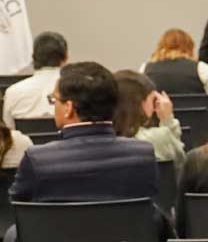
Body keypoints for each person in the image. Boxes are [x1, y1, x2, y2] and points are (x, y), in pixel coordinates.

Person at [10, 63, 157, 203]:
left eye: (54, 100)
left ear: (68, 108)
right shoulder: (143, 154)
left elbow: (20, 209)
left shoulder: (38, 160)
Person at [113, 70, 185, 164]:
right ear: (140, 104)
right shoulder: (158, 137)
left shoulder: (101, 141)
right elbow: (181, 161)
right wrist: (168, 120)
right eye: (153, 100)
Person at [2, 31, 68, 127]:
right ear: (65, 57)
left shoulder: (12, 92)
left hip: (28, 142)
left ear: (33, 57)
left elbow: (11, 133)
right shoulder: (77, 90)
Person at [143, 28, 208, 108]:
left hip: (157, 120)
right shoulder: (203, 69)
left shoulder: (145, 69)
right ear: (190, 47)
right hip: (195, 120)